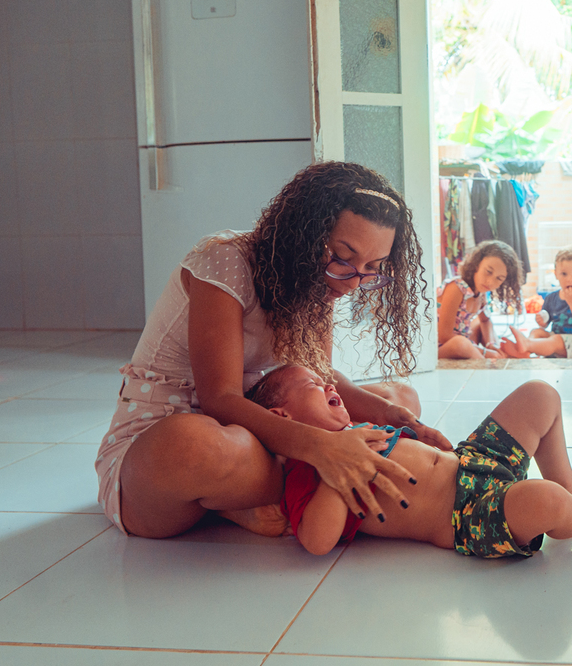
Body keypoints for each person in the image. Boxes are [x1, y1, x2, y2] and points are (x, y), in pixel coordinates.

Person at [94, 162, 452, 540]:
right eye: (342, 258)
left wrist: (401, 420)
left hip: (256, 430)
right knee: (195, 444)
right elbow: (219, 399)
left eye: (371, 269)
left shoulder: (321, 282)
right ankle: (280, 494)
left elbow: (320, 375)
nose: (352, 281)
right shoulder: (224, 262)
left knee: (400, 398)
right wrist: (324, 446)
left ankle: (265, 496)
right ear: (305, 234)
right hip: (170, 449)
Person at [247, 365, 572, 557]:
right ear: (282, 416)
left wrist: (417, 433)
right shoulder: (306, 473)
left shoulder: (358, 424)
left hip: (472, 460)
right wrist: (340, 472)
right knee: (546, 502)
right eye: (313, 387)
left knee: (540, 393)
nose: (328, 387)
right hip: (467, 514)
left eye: (324, 382)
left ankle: (568, 480)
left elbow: (415, 450)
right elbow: (318, 540)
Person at [502, 246, 572, 359]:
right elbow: (546, 322)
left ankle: (527, 345)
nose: (570, 279)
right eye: (564, 274)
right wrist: (542, 321)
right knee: (537, 332)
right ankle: (525, 353)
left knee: (555, 340)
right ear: (556, 274)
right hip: (557, 339)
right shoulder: (551, 298)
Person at [437, 240, 523, 361]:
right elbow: (444, 336)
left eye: (499, 278)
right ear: (477, 264)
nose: (490, 282)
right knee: (461, 343)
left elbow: (485, 320)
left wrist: (491, 344)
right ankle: (486, 365)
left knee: (479, 327)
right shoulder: (456, 288)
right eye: (488, 272)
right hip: (441, 347)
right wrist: (484, 352)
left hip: (464, 343)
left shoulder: (481, 294)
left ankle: (504, 354)